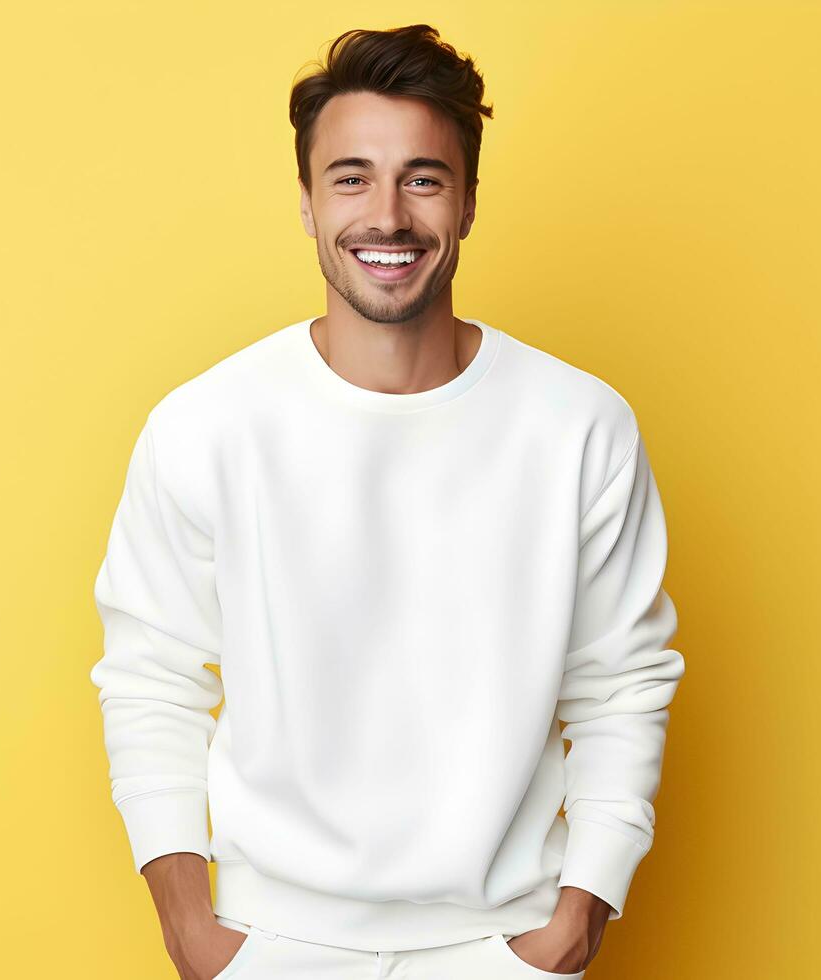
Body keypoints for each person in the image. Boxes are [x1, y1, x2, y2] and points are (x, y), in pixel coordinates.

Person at [90, 23, 685, 980]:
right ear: (307, 201)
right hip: (269, 944)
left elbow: (621, 682)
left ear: (469, 200)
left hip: (504, 944)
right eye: (352, 177)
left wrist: (582, 912)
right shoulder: (207, 425)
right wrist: (191, 928)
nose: (388, 216)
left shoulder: (578, 426)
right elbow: (152, 677)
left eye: (422, 177)